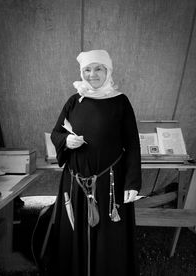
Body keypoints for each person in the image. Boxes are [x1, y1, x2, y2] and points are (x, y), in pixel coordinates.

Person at [47, 50, 141, 276]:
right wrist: (66, 141)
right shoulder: (74, 100)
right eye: (87, 70)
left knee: (109, 238)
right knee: (74, 230)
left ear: (108, 71)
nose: (92, 74)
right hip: (75, 183)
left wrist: (132, 183)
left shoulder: (121, 102)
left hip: (109, 184)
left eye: (98, 68)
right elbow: (56, 133)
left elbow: (132, 145)